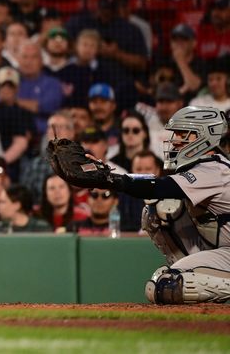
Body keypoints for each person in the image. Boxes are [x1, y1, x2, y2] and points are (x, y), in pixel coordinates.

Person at [52, 106, 230, 304]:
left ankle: (187, 273)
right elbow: (156, 185)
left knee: (168, 285)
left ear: (205, 136)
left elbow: (157, 187)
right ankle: (186, 268)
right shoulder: (207, 167)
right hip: (222, 250)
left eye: (183, 134)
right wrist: (107, 175)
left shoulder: (215, 169)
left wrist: (109, 179)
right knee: (159, 210)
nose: (176, 141)